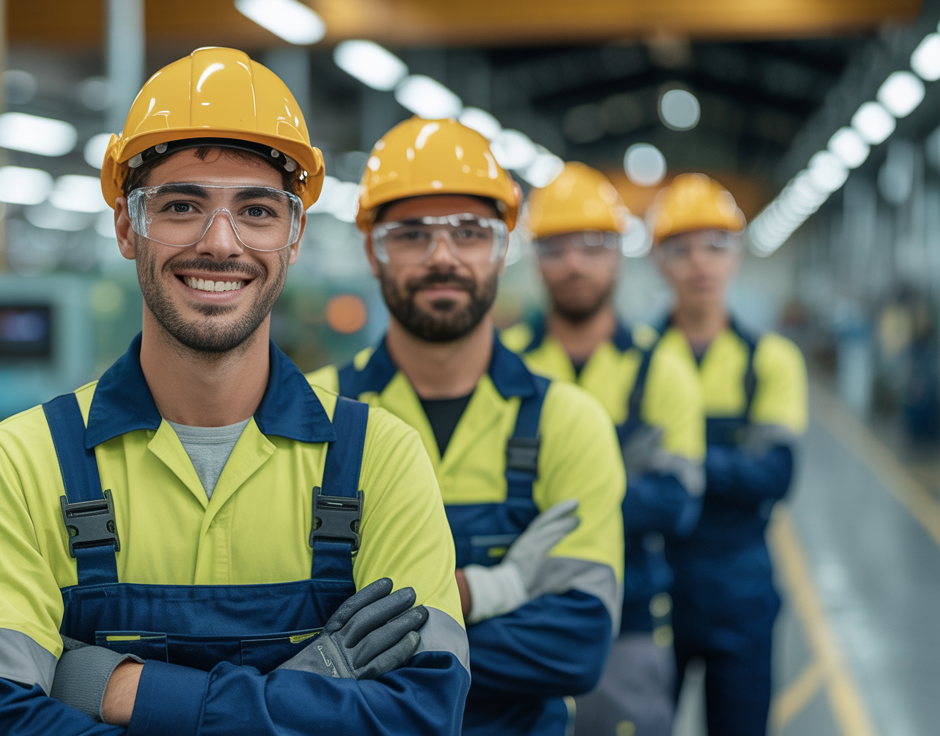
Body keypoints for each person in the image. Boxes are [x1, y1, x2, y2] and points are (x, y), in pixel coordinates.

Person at [0, 48, 470, 736]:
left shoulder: (379, 460)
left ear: (294, 235)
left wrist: (125, 689)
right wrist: (313, 686)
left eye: (257, 210)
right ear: (126, 227)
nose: (220, 243)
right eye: (181, 206)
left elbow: (424, 716)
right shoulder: (22, 463)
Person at [310, 117, 625, 736]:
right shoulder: (309, 413)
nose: (442, 257)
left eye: (469, 233)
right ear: (373, 251)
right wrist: (496, 593)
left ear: (502, 250)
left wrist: (363, 652)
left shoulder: (568, 421)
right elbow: (276, 631)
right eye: (411, 234)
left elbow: (578, 644)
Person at [500, 162, 705, 736]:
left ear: (618, 255)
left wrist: (543, 494)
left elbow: (677, 502)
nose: (574, 264)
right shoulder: (502, 362)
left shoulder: (663, 368)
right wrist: (621, 486)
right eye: (556, 247)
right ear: (536, 259)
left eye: (592, 246)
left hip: (629, 621)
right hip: (515, 618)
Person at [648, 174, 807, 736]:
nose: (699, 262)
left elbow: (776, 474)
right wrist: (728, 466)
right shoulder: (636, 358)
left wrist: (671, 462)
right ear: (658, 261)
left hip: (741, 590)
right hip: (654, 587)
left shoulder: (771, 360)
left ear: (737, 254)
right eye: (681, 248)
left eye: (715, 245)